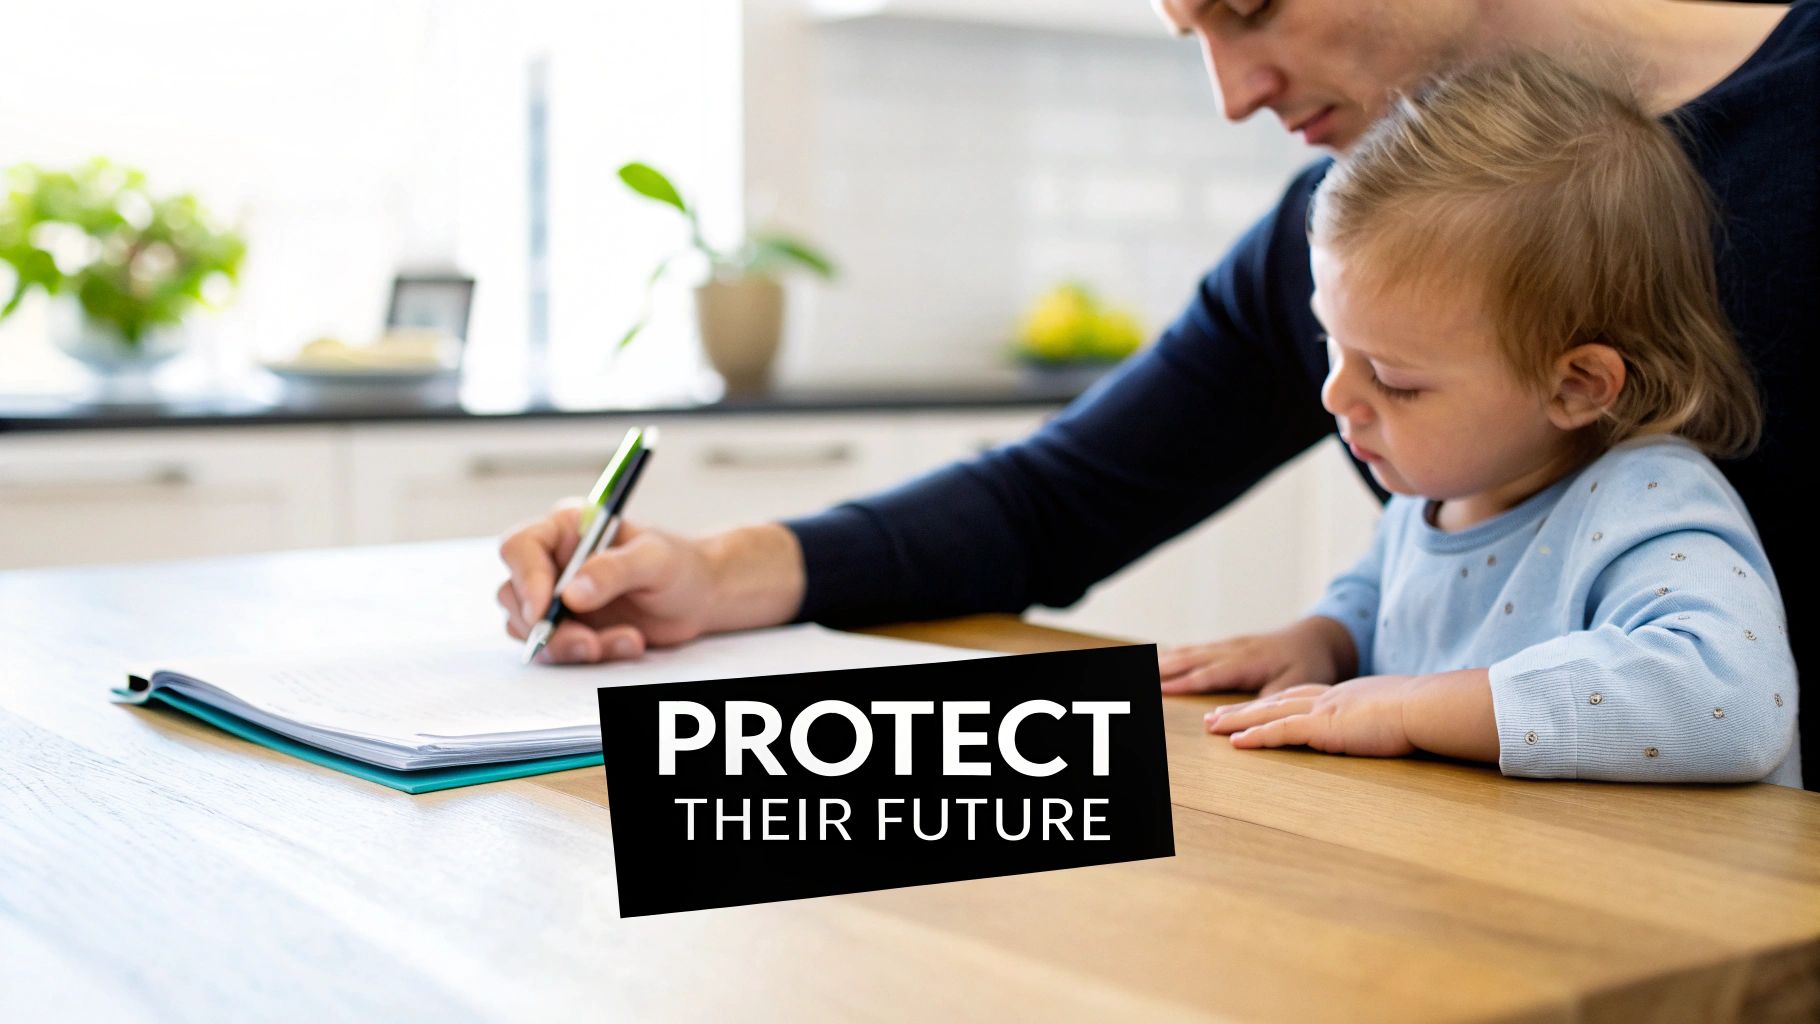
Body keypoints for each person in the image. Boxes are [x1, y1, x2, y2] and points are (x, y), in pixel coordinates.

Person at [496, 0, 1817, 786]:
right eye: (1184, 28)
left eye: (1250, 7)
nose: (1233, 95)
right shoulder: (1363, 232)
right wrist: (716, 573)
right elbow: (1061, 497)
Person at [1200, 52, 1797, 784]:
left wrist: (1413, 708)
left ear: (1576, 385)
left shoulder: (1647, 500)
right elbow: (1386, 594)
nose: (1336, 396)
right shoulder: (1439, 487)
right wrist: (1324, 638)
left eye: (1392, 378)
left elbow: (1729, 702)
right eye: (1333, 345)